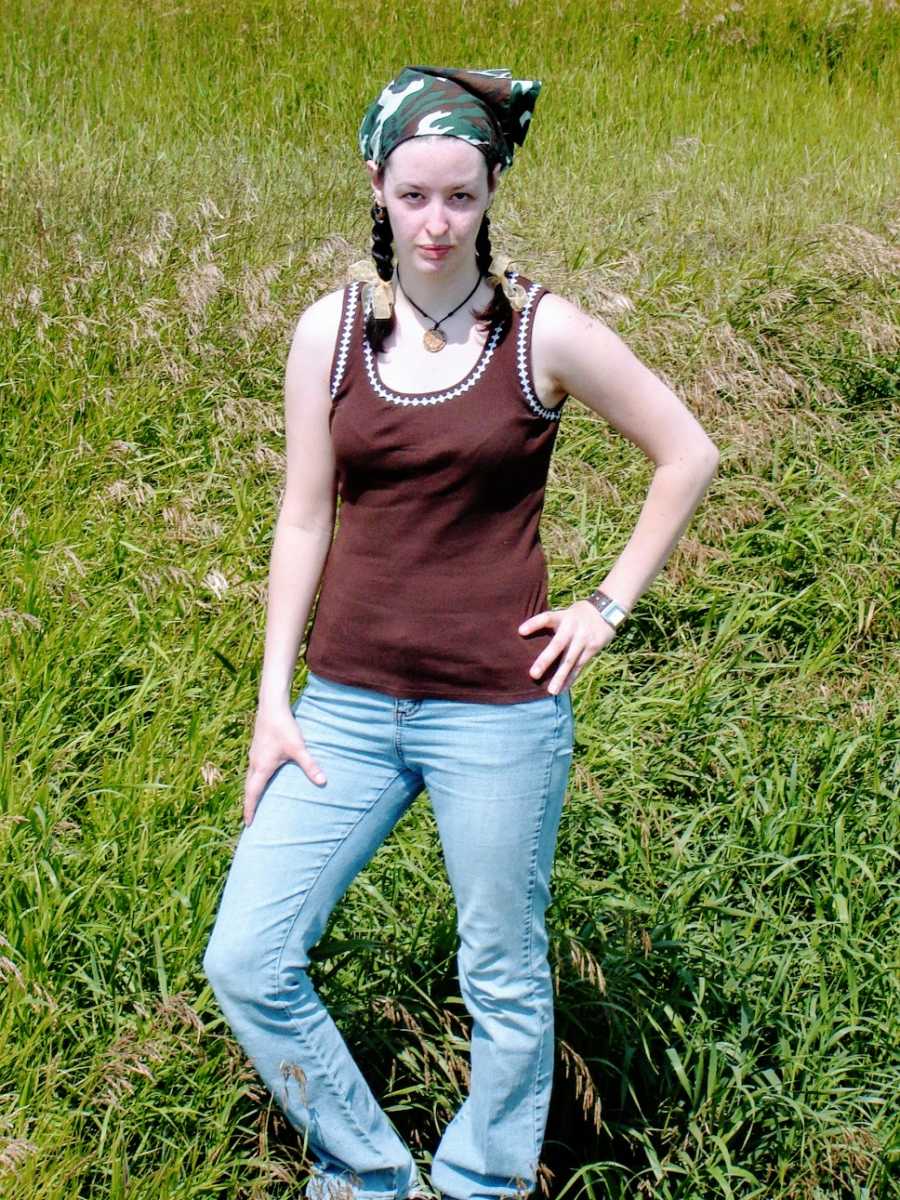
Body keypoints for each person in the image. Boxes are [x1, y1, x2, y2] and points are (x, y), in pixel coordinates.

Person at [203, 65, 719, 1200]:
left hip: (499, 710)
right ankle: (370, 1171)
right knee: (245, 956)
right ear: (377, 189)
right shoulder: (328, 334)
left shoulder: (543, 333)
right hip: (341, 702)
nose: (437, 224)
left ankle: (481, 1183)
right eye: (415, 195)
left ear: (491, 197)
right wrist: (271, 702)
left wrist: (605, 605)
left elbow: (688, 454)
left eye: (462, 198)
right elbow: (302, 516)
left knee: (501, 970)